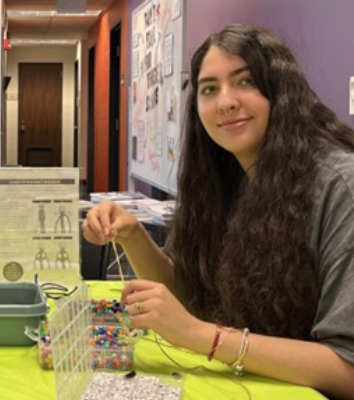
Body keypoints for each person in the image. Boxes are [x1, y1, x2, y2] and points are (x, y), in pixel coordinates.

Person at [83, 24, 354, 399]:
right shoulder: (228, 179)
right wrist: (133, 235)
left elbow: (347, 368)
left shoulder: (341, 186)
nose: (225, 101)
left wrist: (202, 337)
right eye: (210, 88)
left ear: (282, 92)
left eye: (244, 81)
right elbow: (196, 299)